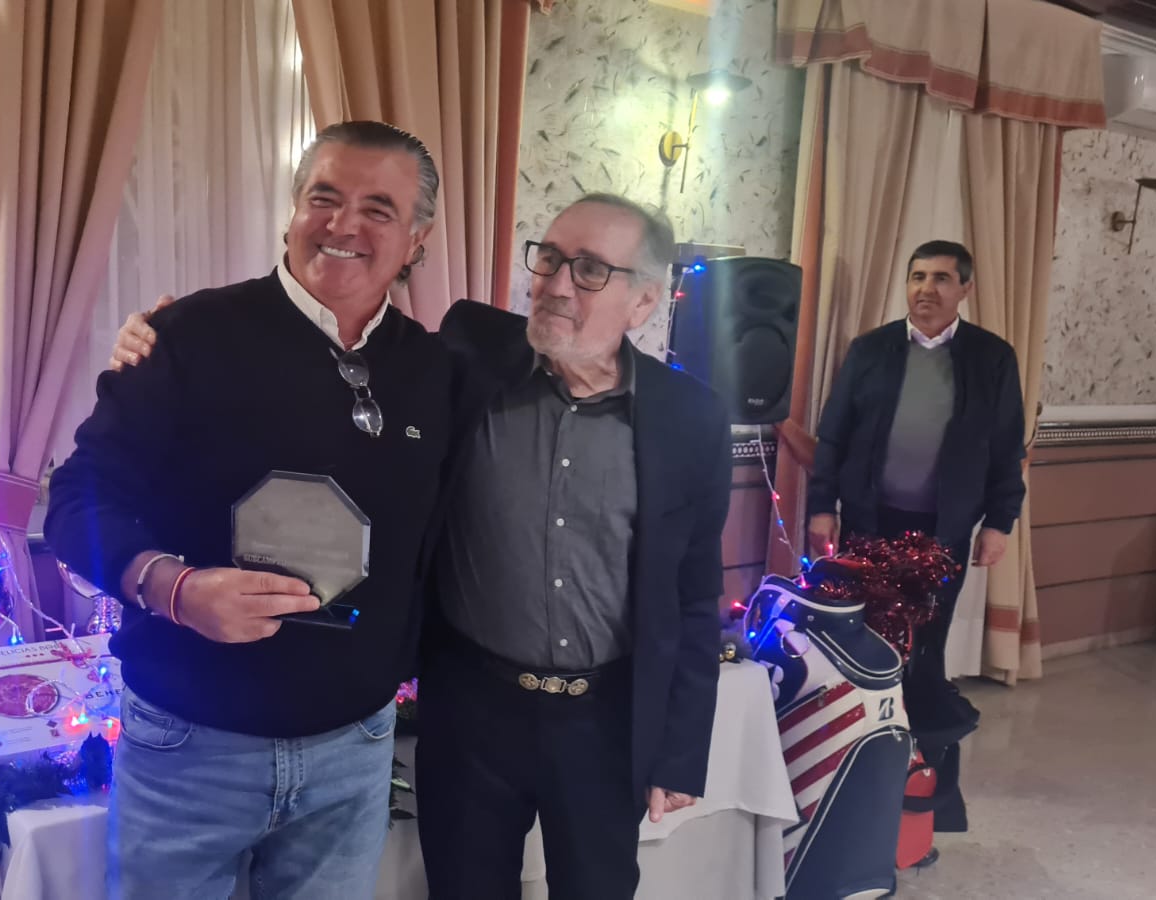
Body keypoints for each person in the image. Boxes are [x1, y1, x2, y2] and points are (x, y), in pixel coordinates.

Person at [114, 194, 730, 899]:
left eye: (590, 270)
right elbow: (336, 340)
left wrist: (680, 752)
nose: (557, 284)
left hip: (604, 720)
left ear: (644, 300)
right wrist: (172, 341)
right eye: (551, 258)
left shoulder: (690, 418)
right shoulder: (471, 353)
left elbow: (692, 596)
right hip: (472, 711)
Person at [46, 120, 458, 900]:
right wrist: (173, 587)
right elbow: (76, 499)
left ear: (416, 239)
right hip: (189, 743)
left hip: (355, 749)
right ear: (292, 210)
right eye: (323, 197)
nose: (343, 224)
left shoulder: (437, 370)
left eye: (378, 209)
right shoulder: (186, 337)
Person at [805, 239, 1027, 839]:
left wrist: (1000, 522)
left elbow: (1007, 447)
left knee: (925, 650)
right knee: (863, 645)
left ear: (964, 289)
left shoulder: (991, 358)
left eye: (941, 278)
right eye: (917, 276)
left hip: (943, 533)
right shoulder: (871, 350)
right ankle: (853, 769)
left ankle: (921, 792)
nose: (926, 288)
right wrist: (821, 507)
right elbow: (833, 434)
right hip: (869, 525)